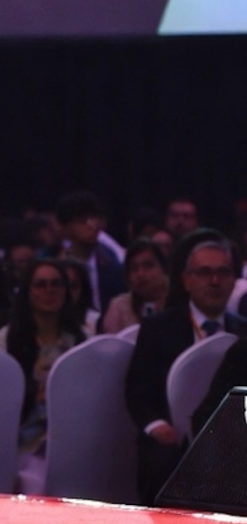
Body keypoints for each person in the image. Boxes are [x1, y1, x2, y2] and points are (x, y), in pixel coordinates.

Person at [124, 232, 247, 505]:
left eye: (223, 272)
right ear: (186, 280)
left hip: (232, 441)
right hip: (171, 438)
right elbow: (137, 390)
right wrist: (156, 426)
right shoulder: (158, 328)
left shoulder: (242, 330)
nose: (214, 281)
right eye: (204, 272)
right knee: (164, 463)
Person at [0, 258, 86, 492]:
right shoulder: (3, 343)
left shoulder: (82, 341)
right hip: (21, 440)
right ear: (28, 292)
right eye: (41, 284)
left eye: (56, 284)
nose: (50, 290)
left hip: (71, 438)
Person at [47, 190, 127, 314]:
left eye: (96, 220)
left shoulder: (113, 265)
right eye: (83, 221)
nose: (93, 226)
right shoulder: (51, 263)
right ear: (65, 228)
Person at [99, 239, 169, 333]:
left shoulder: (180, 301)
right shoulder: (119, 308)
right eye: (134, 268)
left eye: (148, 265)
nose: (140, 274)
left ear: (164, 269)